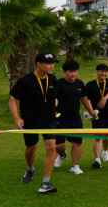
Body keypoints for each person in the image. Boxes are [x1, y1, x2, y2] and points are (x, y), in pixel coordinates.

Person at [8, 52, 59, 193]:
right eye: (48, 63)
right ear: (38, 64)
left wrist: (54, 101)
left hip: (49, 120)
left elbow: (53, 96)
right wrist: (17, 119)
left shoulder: (53, 79)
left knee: (51, 147)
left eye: (52, 63)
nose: (51, 66)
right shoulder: (26, 81)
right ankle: (30, 168)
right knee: (31, 150)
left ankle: (45, 183)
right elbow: (12, 101)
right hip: (30, 121)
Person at [53, 59, 98, 175]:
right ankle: (62, 155)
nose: (73, 74)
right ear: (64, 72)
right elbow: (54, 97)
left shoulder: (80, 84)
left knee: (77, 143)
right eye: (70, 72)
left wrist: (91, 111)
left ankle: (75, 166)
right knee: (58, 145)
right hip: (59, 118)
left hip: (75, 118)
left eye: (75, 71)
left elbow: (84, 99)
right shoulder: (58, 83)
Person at [84, 63, 108, 169]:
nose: (104, 73)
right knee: (98, 136)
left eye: (106, 72)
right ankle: (97, 159)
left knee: (107, 135)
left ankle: (105, 152)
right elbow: (87, 99)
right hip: (96, 114)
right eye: (102, 71)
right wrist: (91, 110)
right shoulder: (90, 85)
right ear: (97, 71)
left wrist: (104, 98)